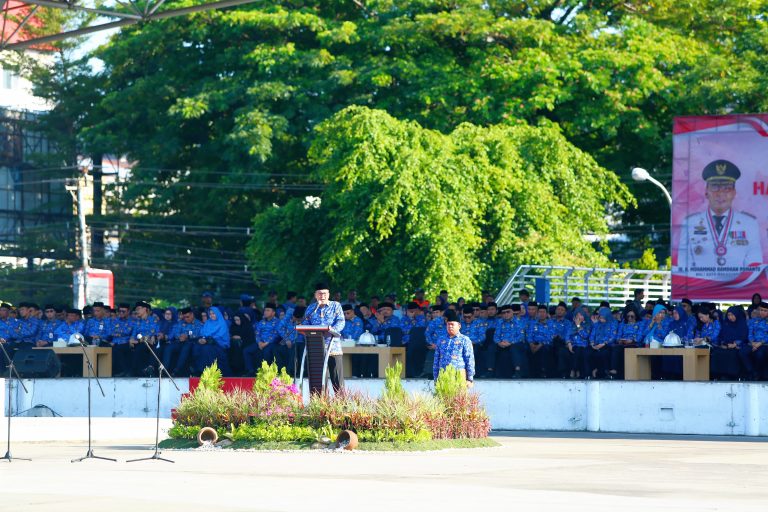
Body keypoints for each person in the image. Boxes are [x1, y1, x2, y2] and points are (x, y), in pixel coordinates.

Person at [677, 159, 762, 277]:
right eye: (715, 187)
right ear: (706, 192)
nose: (720, 193)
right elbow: (683, 264)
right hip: (700, 290)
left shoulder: (749, 224)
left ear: (734, 193)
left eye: (726, 188)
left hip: (737, 291)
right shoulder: (690, 223)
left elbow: (754, 265)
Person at [302, 282, 345, 393]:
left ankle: (342, 406)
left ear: (329, 294)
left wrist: (331, 331)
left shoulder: (336, 305)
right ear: (315, 295)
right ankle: (321, 406)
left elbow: (341, 322)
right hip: (316, 349)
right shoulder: (311, 308)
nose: (323, 296)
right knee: (319, 382)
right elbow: (306, 323)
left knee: (337, 381)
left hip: (333, 347)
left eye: (325, 293)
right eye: (320, 294)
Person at [432, 310, 475, 385]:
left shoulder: (465, 340)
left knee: (458, 396)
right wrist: (435, 378)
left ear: (459, 326)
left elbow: (469, 359)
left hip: (459, 374)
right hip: (443, 374)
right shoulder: (441, 339)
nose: (450, 326)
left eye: (452, 324)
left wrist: (470, 379)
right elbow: (436, 359)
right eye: (448, 324)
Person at [192, 306, 231, 376]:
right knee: (196, 347)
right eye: (210, 314)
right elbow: (202, 333)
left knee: (207, 349)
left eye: (213, 313)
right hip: (207, 343)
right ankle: (199, 370)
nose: (211, 315)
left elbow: (220, 337)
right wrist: (201, 339)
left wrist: (207, 340)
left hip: (219, 345)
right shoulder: (208, 322)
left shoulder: (222, 323)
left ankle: (210, 372)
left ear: (217, 314)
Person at [713, 306, 748, 380]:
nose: (730, 317)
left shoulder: (742, 324)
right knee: (717, 352)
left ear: (737, 314)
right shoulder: (725, 324)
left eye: (732, 315)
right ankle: (720, 374)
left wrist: (735, 344)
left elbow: (744, 337)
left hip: (738, 346)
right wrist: (722, 344)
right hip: (726, 346)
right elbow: (720, 336)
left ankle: (732, 375)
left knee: (732, 353)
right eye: (728, 315)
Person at [165, 307, 201, 377]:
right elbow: (176, 332)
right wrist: (180, 336)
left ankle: (177, 370)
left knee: (186, 347)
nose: (185, 319)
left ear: (192, 315)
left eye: (187, 317)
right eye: (184, 317)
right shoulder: (181, 323)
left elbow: (198, 334)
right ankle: (164, 370)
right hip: (180, 342)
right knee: (169, 347)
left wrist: (187, 336)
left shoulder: (198, 323)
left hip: (192, 343)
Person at [494, 304, 528, 378]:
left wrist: (510, 342)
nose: (506, 314)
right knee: (491, 348)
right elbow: (496, 336)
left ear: (512, 312)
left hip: (515, 343)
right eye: (503, 313)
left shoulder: (519, 322)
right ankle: (490, 371)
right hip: (502, 344)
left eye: (508, 312)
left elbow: (521, 336)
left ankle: (518, 370)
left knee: (514, 348)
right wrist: (499, 342)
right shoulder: (499, 322)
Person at [129, 301, 160, 377]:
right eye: (136, 309)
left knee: (144, 347)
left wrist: (144, 339)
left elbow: (154, 334)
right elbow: (133, 335)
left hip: (151, 343)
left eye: (139, 309)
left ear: (145, 309)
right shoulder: (137, 322)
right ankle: (140, 371)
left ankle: (148, 369)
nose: (137, 311)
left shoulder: (153, 320)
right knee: (137, 348)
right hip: (140, 343)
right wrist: (132, 340)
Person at [561, 307, 591, 379]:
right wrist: (569, 344)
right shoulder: (570, 325)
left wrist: (578, 325)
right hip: (573, 345)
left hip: (583, 346)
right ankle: (575, 370)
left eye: (581, 315)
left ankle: (574, 370)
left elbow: (585, 336)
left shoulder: (587, 325)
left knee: (579, 350)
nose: (579, 317)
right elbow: (567, 336)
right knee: (572, 350)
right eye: (577, 315)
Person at [747, 302, 768, 380]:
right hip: (753, 344)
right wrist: (752, 343)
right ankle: (751, 371)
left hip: (765, 344)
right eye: (761, 310)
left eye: (765, 311)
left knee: (760, 354)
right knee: (742, 352)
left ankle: (757, 373)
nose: (762, 312)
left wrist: (760, 343)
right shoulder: (753, 321)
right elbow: (750, 333)